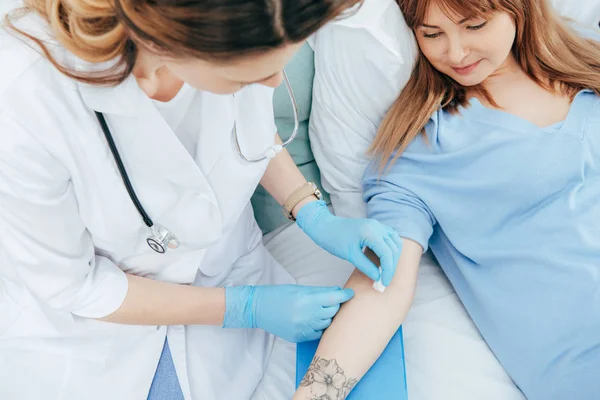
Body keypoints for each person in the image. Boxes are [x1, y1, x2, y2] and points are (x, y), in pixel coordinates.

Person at [0, 0, 407, 399]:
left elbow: (246, 131)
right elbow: (76, 287)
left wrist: (312, 211)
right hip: (94, 334)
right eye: (246, 78)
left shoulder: (249, 20)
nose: (274, 83)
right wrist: (243, 308)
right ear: (170, 44)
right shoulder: (27, 97)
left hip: (226, 269)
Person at [294, 0, 600, 399]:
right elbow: (381, 287)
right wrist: (313, 395)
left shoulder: (588, 62)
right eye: (431, 34)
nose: (455, 53)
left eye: (474, 26)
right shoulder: (422, 150)